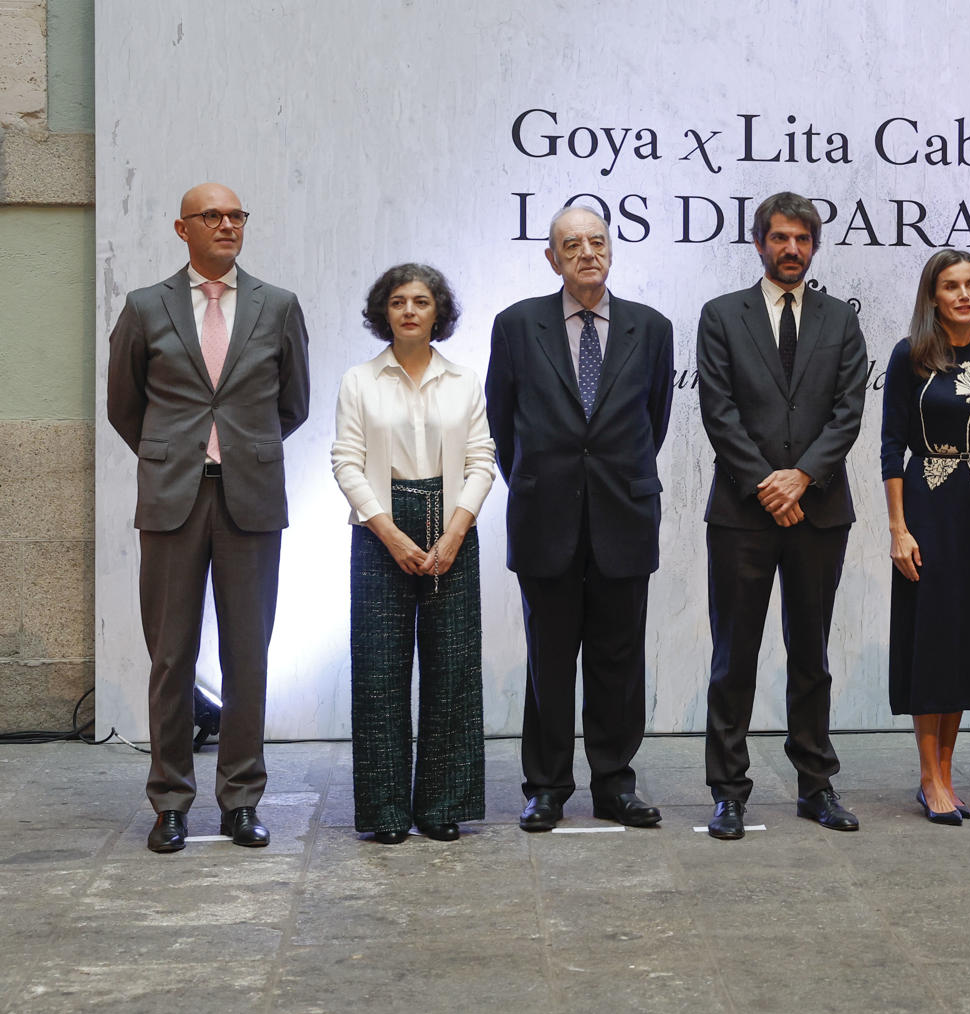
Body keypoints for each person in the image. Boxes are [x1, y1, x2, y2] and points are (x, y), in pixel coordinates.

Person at [106, 182, 311, 854]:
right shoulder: (144, 308)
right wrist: (174, 455)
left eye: (236, 215)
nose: (227, 225)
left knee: (248, 655)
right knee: (172, 657)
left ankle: (242, 799)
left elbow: (294, 404)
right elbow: (125, 406)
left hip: (250, 496)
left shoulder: (277, 306)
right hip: (173, 499)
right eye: (212, 216)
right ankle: (170, 803)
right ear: (181, 228)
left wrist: (239, 450)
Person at [486, 205, 674, 833]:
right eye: (572, 245)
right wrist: (544, 484)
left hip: (624, 513)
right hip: (546, 517)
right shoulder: (516, 325)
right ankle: (545, 786)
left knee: (619, 660)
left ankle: (615, 783)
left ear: (612, 250)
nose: (587, 253)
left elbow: (655, 419)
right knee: (549, 658)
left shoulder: (650, 327)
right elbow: (503, 419)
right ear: (552, 258)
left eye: (597, 242)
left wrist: (610, 480)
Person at [698, 192, 869, 840]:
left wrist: (802, 477)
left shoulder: (839, 320)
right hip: (742, 514)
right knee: (732, 657)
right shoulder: (722, 316)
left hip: (819, 511)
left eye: (801, 238)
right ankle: (728, 791)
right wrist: (766, 483)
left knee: (812, 655)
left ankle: (816, 784)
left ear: (814, 245)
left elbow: (847, 410)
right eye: (779, 238)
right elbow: (719, 410)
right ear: (759, 242)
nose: (790, 248)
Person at [331, 264, 495, 843]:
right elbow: (346, 462)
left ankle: (441, 807)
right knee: (379, 673)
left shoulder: (464, 381)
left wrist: (453, 534)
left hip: (453, 527)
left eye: (421, 301)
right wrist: (391, 534)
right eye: (397, 301)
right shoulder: (359, 380)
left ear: (437, 312)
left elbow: (482, 461)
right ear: (383, 312)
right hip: (380, 532)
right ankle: (386, 813)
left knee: (452, 672)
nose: (408, 311)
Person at [881, 249, 970, 825]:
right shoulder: (910, 356)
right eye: (951, 286)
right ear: (932, 296)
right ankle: (927, 776)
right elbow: (891, 444)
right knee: (929, 639)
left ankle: (949, 772)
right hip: (927, 503)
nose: (964, 295)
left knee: (965, 642)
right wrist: (898, 528)